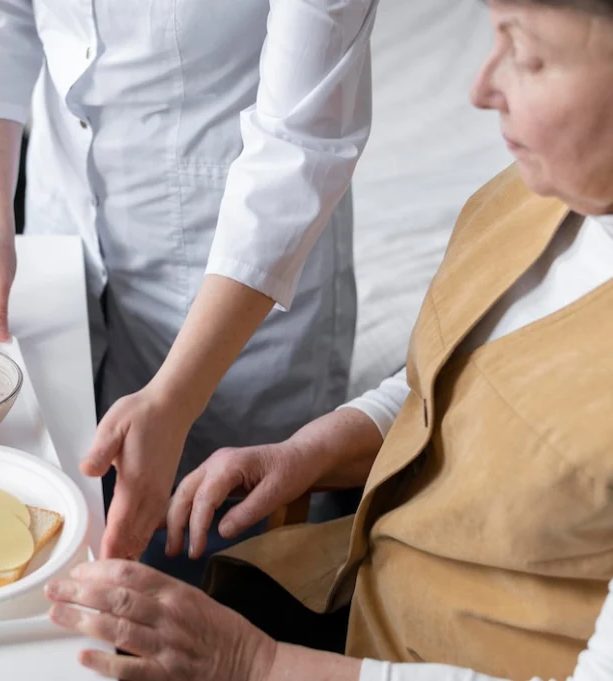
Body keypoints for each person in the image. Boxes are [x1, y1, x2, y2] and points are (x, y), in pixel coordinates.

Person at [44, 1, 613, 679]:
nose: (481, 88)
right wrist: (313, 450)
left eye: (528, 54)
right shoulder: (544, 195)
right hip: (364, 602)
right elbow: (455, 376)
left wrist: (252, 660)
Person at [0, 0, 379, 575]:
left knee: (218, 562)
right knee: (55, 524)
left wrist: (175, 397)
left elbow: (297, 145)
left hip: (235, 276)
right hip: (64, 223)